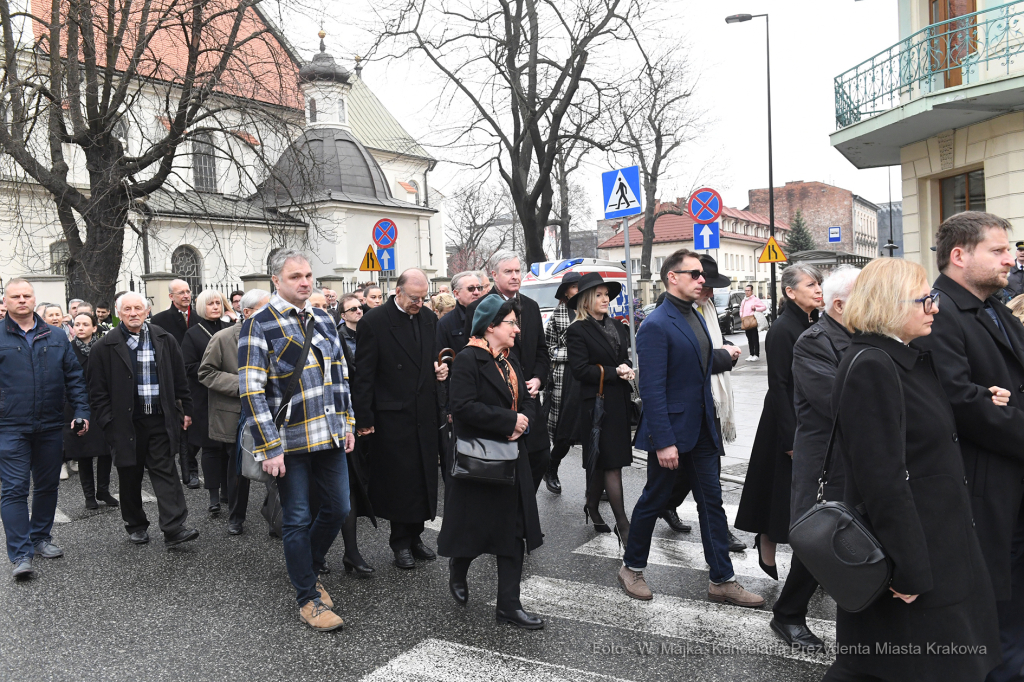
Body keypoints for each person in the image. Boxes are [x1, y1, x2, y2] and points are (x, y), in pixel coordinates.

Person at [820, 257, 1001, 682]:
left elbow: (924, 430)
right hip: (914, 549)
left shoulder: (901, 358)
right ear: (888, 304)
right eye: (925, 299)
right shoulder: (873, 365)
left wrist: (980, 397)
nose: (934, 307)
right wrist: (909, 567)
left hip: (938, 539)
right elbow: (879, 479)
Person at [912, 212, 1024, 682]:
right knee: (994, 606)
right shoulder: (938, 312)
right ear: (959, 256)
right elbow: (961, 401)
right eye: (998, 251)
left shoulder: (994, 305)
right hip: (982, 487)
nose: (1011, 258)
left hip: (1009, 478)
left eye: (1010, 250)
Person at [619, 250, 764, 608]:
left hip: (701, 429)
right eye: (695, 274)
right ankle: (631, 567)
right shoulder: (655, 324)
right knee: (654, 500)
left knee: (711, 502)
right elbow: (652, 388)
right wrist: (664, 442)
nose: (702, 280)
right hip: (672, 433)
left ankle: (722, 580)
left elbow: (695, 362)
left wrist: (724, 356)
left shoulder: (695, 315)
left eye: (702, 275)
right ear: (672, 277)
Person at [240, 249, 355, 632]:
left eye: (308, 275)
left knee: (338, 508)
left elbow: (339, 377)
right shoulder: (259, 324)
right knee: (297, 517)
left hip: (329, 433)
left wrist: (348, 423)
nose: (305, 282)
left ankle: (306, 567)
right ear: (276, 280)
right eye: (295, 277)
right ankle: (307, 598)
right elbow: (252, 392)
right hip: (288, 442)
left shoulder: (323, 317)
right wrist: (269, 447)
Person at [439, 295, 545, 629]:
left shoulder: (508, 359)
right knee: (475, 529)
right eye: (511, 323)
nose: (517, 329)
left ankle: (508, 606)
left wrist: (523, 419)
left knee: (513, 533)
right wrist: (508, 421)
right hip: (481, 462)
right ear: (490, 326)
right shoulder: (469, 360)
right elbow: (463, 407)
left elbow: (527, 399)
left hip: (513, 458)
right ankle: (459, 565)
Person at [778, 265, 860, 652]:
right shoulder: (814, 341)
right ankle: (789, 614)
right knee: (819, 537)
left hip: (853, 454)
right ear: (841, 304)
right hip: (826, 458)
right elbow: (838, 402)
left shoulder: (861, 336)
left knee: (849, 536)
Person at [353, 268, 448, 569]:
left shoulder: (429, 318)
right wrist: (364, 418)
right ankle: (399, 543)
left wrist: (440, 372)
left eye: (423, 299)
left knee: (423, 478)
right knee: (400, 482)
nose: (419, 304)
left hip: (424, 411)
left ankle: (416, 535)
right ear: (398, 293)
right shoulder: (374, 321)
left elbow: (429, 361)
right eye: (414, 299)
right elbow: (364, 375)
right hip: (393, 415)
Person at [89, 291, 199, 548]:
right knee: (130, 474)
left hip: (160, 419)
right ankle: (136, 525)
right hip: (125, 422)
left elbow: (180, 380)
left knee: (165, 472)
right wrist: (107, 422)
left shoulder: (164, 339)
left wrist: (185, 411)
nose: (133, 313)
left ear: (147, 311)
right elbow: (97, 392)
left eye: (138, 308)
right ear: (118, 313)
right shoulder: (103, 347)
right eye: (127, 309)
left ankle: (174, 528)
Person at [735, 263, 822, 588]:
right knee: (780, 489)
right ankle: (768, 541)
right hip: (786, 419)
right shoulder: (784, 329)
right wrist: (790, 436)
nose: (818, 290)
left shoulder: (812, 322)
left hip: (805, 417)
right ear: (790, 291)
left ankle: (804, 557)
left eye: (819, 284)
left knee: (795, 492)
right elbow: (780, 384)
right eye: (811, 284)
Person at [0, 279, 90, 579]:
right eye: (16, 296)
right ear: (7, 300)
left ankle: (40, 538)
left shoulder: (55, 335)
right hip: (10, 425)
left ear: (33, 298)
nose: (22, 300)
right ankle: (21, 554)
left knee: (48, 485)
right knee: (14, 489)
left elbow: (74, 376)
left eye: (27, 295)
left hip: (50, 424)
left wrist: (81, 410)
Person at [660, 255, 744, 551]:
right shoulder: (671, 312)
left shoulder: (703, 308)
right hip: (689, 404)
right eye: (699, 279)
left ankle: (718, 545)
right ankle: (638, 545)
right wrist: (725, 355)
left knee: (704, 476)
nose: (706, 289)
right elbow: (696, 360)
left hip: (710, 401)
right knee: (674, 477)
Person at [464, 251, 550, 491]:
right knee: (505, 465)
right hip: (499, 399)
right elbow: (475, 353)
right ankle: (515, 521)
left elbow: (542, 351)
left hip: (530, 399)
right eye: (508, 272)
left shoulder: (531, 307)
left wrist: (538, 379)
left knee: (540, 456)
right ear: (494, 275)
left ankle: (524, 516)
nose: (515, 276)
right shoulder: (479, 308)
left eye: (518, 271)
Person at [566, 274, 634, 547]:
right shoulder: (577, 330)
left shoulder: (617, 326)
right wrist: (614, 371)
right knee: (611, 463)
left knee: (603, 460)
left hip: (618, 402)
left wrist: (626, 366)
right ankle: (623, 524)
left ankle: (591, 507)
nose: (606, 299)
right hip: (595, 404)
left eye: (607, 294)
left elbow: (624, 356)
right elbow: (580, 370)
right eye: (599, 295)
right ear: (585, 300)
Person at [199, 289, 269, 536]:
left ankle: (277, 517)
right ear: (246, 312)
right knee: (239, 468)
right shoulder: (223, 337)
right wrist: (243, 384)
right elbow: (205, 372)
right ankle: (236, 516)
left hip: (271, 409)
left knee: (279, 466)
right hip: (236, 413)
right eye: (264, 309)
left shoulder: (277, 334)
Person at [64, 311, 118, 510]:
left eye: (85, 324)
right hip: (78, 406)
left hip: (101, 405)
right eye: (77, 324)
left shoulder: (102, 348)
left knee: (105, 450)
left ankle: (103, 490)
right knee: (84, 452)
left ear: (94, 328)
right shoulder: (67, 349)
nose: (80, 328)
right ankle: (89, 495)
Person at [180, 290, 227, 514]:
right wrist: (214, 373)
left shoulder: (228, 329)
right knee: (210, 448)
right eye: (210, 304)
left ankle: (228, 491)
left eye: (218, 303)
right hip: (204, 396)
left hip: (227, 396)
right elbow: (187, 366)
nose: (216, 307)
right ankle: (213, 496)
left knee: (228, 448)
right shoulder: (193, 334)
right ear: (201, 307)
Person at [151, 279, 200, 488]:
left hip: (197, 377)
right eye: (180, 292)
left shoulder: (199, 317)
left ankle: (191, 467)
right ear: (171, 296)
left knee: (196, 422)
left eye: (188, 291)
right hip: (173, 377)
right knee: (181, 424)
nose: (186, 295)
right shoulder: (160, 320)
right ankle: (185, 470)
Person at [542, 271, 582, 495]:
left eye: (579, 285)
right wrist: (575, 354)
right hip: (565, 378)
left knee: (591, 430)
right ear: (566, 291)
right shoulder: (558, 315)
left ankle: (597, 483)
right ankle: (552, 467)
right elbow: (548, 350)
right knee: (564, 432)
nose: (578, 289)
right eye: (573, 286)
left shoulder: (589, 309)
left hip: (588, 377)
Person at [435, 271, 483, 357]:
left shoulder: (490, 316)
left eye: (479, 288)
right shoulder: (445, 323)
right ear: (456, 293)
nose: (476, 292)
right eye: (470, 289)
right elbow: (442, 357)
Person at [740, 284, 767, 361]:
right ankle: (751, 354)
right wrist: (741, 316)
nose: (747, 292)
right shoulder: (744, 300)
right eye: (746, 290)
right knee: (749, 338)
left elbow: (764, 307)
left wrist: (755, 308)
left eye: (748, 290)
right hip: (746, 321)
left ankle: (756, 354)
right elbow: (741, 309)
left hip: (752, 320)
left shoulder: (755, 299)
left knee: (754, 338)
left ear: (752, 291)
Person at [337, 293, 362, 370]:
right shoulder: (338, 338)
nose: (359, 311)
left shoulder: (370, 332)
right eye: (353, 309)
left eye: (360, 307)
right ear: (344, 316)